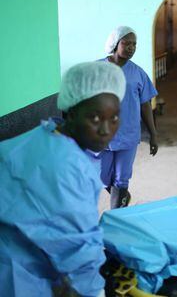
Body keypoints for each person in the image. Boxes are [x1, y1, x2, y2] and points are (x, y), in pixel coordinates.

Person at [0, 61, 126, 296]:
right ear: (70, 111)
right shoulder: (67, 168)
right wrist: (94, 292)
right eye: (95, 118)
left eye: (115, 118)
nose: (106, 130)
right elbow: (78, 249)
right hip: (18, 277)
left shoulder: (43, 135)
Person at [98, 26, 158, 209]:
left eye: (135, 44)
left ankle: (117, 216)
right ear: (115, 44)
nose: (131, 47)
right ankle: (122, 196)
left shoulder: (138, 73)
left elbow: (145, 104)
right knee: (99, 175)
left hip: (128, 134)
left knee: (121, 179)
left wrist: (153, 134)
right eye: (127, 43)